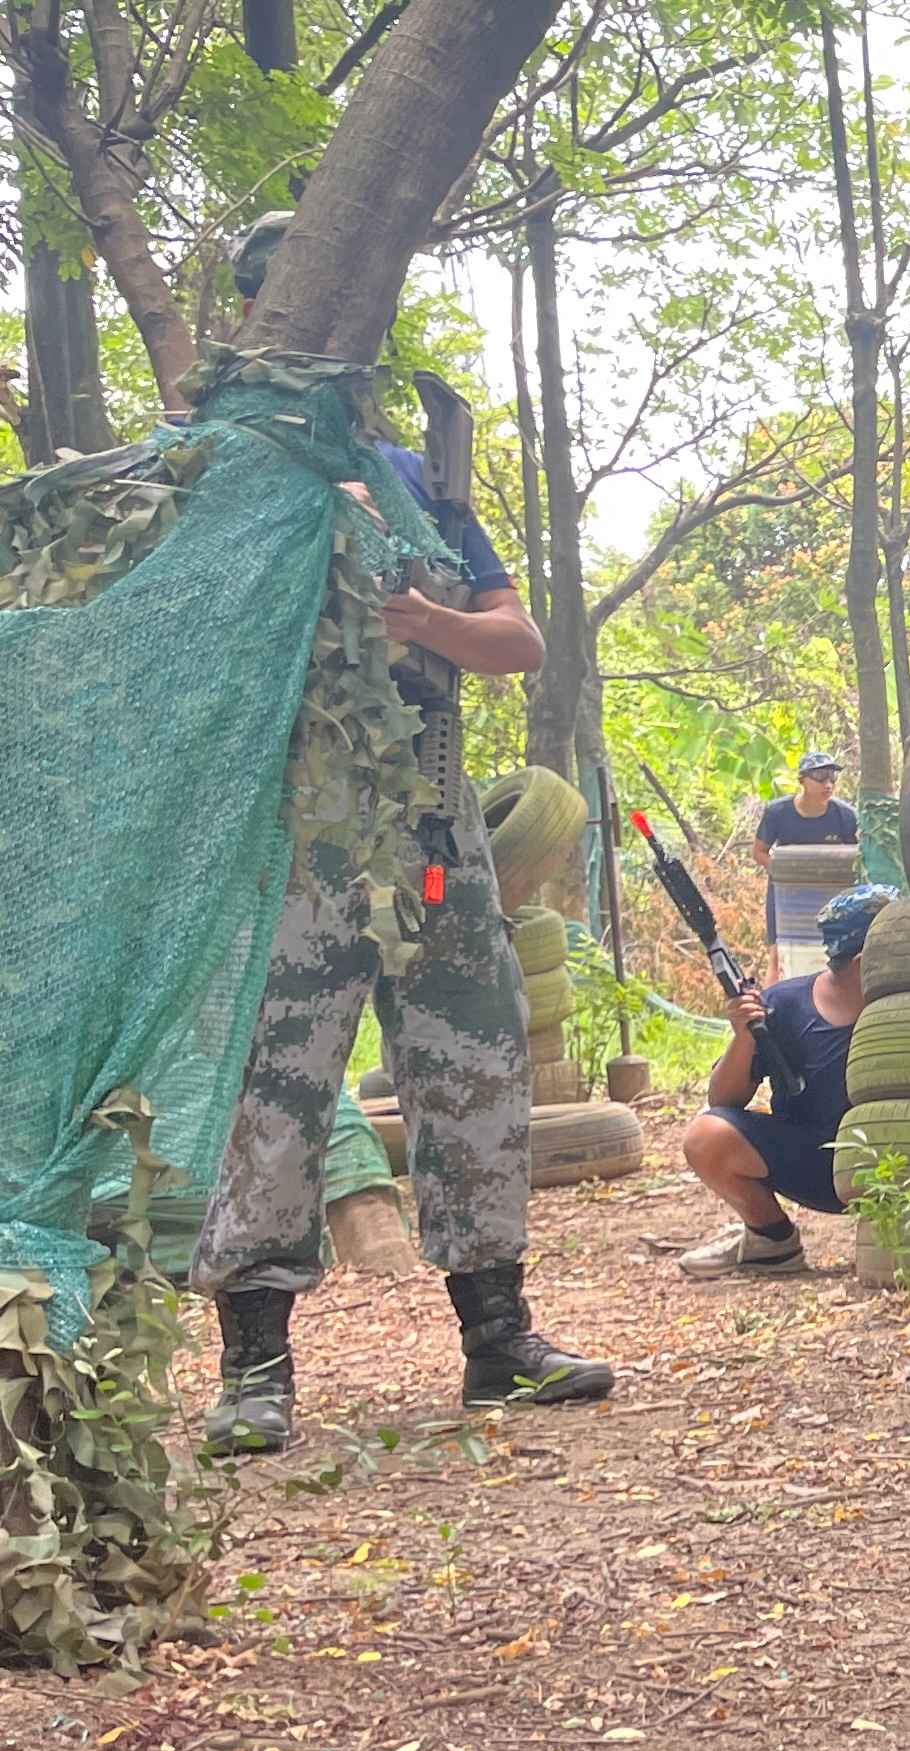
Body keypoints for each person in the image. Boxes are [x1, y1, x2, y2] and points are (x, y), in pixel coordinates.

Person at [197, 208, 611, 1452]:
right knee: (276, 1089)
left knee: (473, 1067)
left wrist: (418, 619)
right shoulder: (216, 467)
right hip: (298, 837)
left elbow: (519, 640)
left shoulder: (419, 483)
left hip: (432, 828)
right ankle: (253, 1374)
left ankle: (500, 1343)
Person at [674, 883, 890, 1278]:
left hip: (899, 1163)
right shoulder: (787, 1003)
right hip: (814, 1164)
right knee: (706, 1135)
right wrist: (744, 1036)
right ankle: (770, 1240)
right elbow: (723, 1099)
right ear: (862, 961)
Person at [751, 751, 859, 861]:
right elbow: (759, 852)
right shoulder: (777, 812)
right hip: (789, 875)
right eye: (820, 776)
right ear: (802, 780)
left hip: (832, 875)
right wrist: (779, 871)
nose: (828, 785)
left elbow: (857, 856)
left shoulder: (846, 815)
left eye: (832, 777)